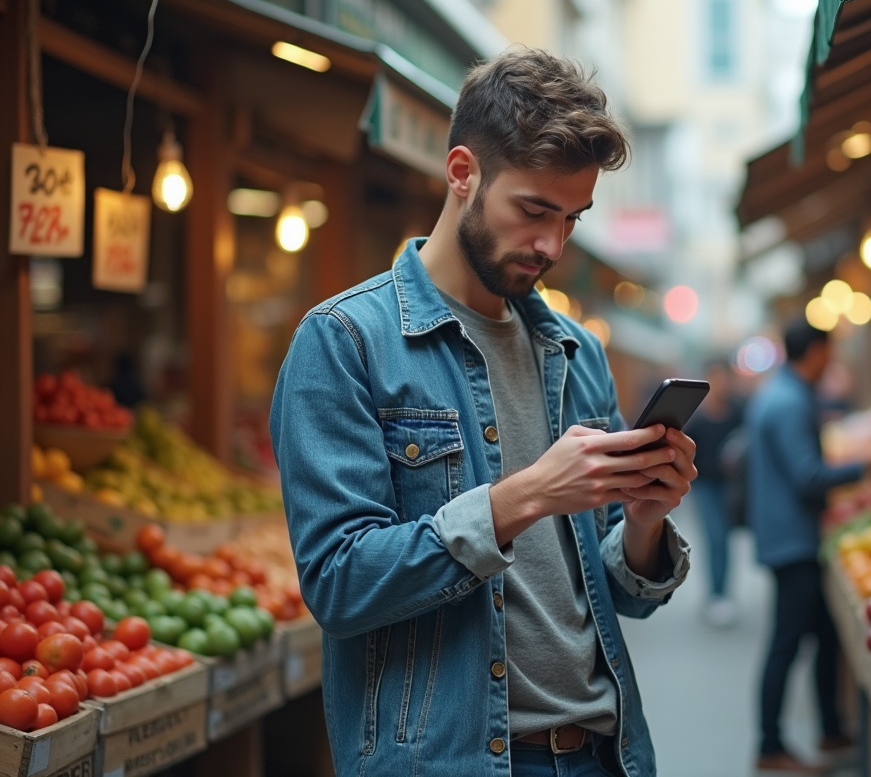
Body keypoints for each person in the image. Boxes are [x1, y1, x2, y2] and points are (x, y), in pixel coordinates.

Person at [269, 48, 696, 777]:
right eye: (533, 210)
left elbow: (622, 596)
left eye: (572, 219)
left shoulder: (575, 352)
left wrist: (648, 517)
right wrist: (526, 495)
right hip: (453, 761)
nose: (551, 245)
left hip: (604, 753)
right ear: (462, 172)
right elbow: (339, 584)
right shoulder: (345, 342)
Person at [745, 320, 864, 773]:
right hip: (792, 539)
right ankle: (770, 745)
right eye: (828, 353)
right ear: (814, 351)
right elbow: (807, 477)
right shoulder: (791, 401)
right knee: (786, 642)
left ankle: (830, 730)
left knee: (824, 634)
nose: (831, 362)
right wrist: (860, 468)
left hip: (785, 534)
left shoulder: (777, 393)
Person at [683, 358, 743, 627]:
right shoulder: (696, 418)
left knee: (725, 539)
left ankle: (722, 594)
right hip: (704, 487)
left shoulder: (737, 412)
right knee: (714, 537)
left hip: (729, 488)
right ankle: (716, 595)